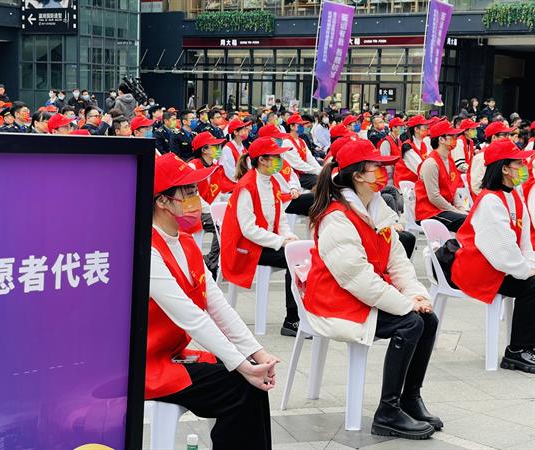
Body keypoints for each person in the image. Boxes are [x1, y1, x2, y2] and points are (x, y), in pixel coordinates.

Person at [305, 138, 440, 440]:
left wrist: (416, 294)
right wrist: (406, 305)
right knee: (410, 323)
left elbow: (398, 262)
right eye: (376, 167)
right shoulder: (336, 217)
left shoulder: (376, 208)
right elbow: (357, 278)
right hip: (334, 300)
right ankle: (387, 412)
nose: (384, 172)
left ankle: (410, 398)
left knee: (427, 319)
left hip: (362, 293)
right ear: (357, 176)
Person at [147, 153, 276, 450]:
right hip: (147, 365)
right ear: (162, 201)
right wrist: (242, 365)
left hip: (172, 355)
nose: (197, 199)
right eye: (189, 192)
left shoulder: (185, 242)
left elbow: (217, 306)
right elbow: (192, 317)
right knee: (239, 387)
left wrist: (257, 354)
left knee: (252, 383)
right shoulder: (147, 250)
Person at [452, 139, 535, 373]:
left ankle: (528, 344)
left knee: (531, 280)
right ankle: (518, 350)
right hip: (478, 268)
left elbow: (525, 243)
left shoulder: (514, 196)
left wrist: (529, 265)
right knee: (532, 286)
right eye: (519, 163)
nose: (524, 167)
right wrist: (526, 271)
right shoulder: (490, 200)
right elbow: (501, 251)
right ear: (505, 169)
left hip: (497, 265)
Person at [221, 136, 301, 337]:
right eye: (276, 157)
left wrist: (289, 237)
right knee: (294, 260)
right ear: (263, 160)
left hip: (263, 242)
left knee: (299, 254)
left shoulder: (271, 181)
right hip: (245, 247)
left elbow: (280, 219)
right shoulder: (247, 186)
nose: (280, 161)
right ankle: (292, 319)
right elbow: (248, 229)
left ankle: (301, 314)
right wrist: (281, 241)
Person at [188, 132, 236, 277]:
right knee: (222, 224)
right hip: (193, 211)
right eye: (214, 146)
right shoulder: (192, 166)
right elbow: (192, 196)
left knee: (229, 222)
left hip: (209, 210)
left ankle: (211, 260)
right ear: (204, 150)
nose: (219, 149)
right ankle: (213, 263)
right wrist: (213, 211)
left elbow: (218, 193)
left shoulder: (215, 167)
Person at [414, 120, 467, 231]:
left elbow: (453, 189)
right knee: (467, 221)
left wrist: (461, 208)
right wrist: (455, 211)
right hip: (430, 212)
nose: (455, 139)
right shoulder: (431, 163)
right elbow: (434, 197)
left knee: (473, 216)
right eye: (452, 136)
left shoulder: (449, 160)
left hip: (444, 209)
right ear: (441, 139)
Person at [469, 121, 516, 198]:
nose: (508, 138)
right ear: (494, 137)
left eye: (508, 134)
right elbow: (476, 186)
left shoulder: (503, 153)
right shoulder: (480, 157)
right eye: (504, 135)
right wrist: (493, 199)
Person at [281, 114, 322, 189]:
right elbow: (298, 164)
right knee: (318, 180)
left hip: (303, 171)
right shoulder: (287, 142)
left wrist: (320, 170)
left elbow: (310, 159)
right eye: (300, 125)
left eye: (302, 125)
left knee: (322, 177)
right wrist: (316, 171)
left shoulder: (301, 141)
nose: (302, 127)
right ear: (292, 126)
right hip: (294, 174)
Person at [392, 115, 429, 187]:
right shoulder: (407, 147)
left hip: (417, 184)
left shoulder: (423, 144)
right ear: (416, 129)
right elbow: (420, 170)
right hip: (406, 187)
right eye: (425, 127)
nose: (427, 129)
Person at [378, 117, 406, 185]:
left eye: (403, 127)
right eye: (400, 127)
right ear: (393, 128)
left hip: (398, 174)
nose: (403, 129)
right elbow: (385, 162)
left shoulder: (399, 141)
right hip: (389, 177)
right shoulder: (386, 142)